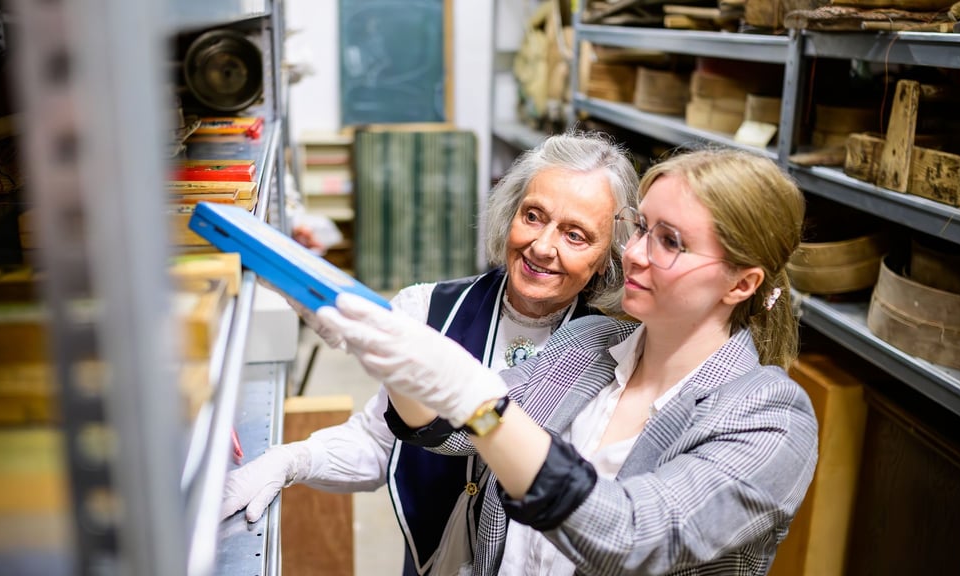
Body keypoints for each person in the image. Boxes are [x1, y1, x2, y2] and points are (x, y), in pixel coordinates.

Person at [318, 148, 819, 575]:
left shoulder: (770, 418)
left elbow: (630, 535)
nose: (636, 254)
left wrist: (475, 396)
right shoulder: (590, 342)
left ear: (741, 283)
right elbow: (457, 432)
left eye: (671, 241)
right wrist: (390, 354)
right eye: (641, 228)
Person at [220, 131, 640, 575]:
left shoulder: (616, 352)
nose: (541, 247)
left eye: (576, 235)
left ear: (607, 257)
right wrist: (291, 459)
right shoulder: (428, 310)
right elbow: (381, 443)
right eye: (533, 216)